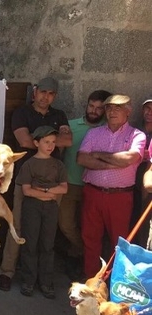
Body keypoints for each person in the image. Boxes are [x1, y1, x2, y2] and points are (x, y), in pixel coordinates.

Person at [0, 77, 72, 291]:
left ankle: (41, 278)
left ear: (54, 96)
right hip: (26, 178)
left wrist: (39, 138)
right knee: (18, 225)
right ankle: (7, 271)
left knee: (47, 230)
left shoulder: (59, 115)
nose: (45, 96)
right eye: (42, 92)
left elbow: (69, 140)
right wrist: (53, 140)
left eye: (50, 93)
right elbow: (24, 141)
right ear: (35, 92)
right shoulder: (22, 112)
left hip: (54, 180)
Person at [77, 94, 145, 279]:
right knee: (90, 238)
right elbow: (82, 158)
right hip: (93, 193)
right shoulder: (94, 133)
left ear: (128, 112)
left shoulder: (137, 135)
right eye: (109, 108)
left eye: (118, 108)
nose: (112, 112)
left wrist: (98, 155)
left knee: (119, 240)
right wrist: (115, 162)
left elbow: (130, 158)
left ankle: (116, 281)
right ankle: (91, 280)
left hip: (120, 197)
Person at [59, 90, 112, 280]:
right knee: (65, 224)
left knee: (91, 227)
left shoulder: (109, 131)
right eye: (91, 106)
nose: (94, 111)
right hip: (70, 184)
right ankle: (83, 251)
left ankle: (80, 257)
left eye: (99, 108)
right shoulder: (71, 126)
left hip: (96, 187)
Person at [17, 126, 68, 298]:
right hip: (32, 207)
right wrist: (49, 192)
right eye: (46, 142)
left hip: (50, 209)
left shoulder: (58, 164)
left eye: (53, 142)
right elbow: (27, 191)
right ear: (36, 142)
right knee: (30, 243)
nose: (50, 145)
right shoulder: (29, 164)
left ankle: (46, 282)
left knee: (48, 244)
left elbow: (64, 188)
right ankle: (28, 281)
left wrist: (43, 189)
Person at [132, 96, 152, 246]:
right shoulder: (133, 130)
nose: (150, 112)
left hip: (149, 183)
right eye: (147, 108)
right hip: (131, 180)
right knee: (133, 218)